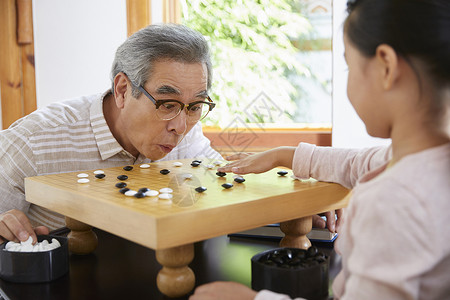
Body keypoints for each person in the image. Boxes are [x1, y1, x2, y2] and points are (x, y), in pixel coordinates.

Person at [190, 0, 450, 299]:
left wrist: (252, 299)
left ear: (386, 68)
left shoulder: (394, 200)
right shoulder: (423, 162)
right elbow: (356, 162)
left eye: (349, 66)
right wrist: (283, 154)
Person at [0, 24, 222, 245]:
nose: (181, 127)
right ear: (123, 90)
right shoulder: (34, 141)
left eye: (194, 107)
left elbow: (225, 183)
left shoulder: (187, 135)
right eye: (167, 104)